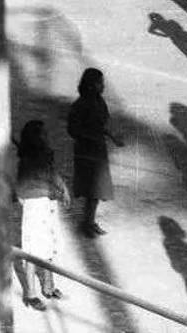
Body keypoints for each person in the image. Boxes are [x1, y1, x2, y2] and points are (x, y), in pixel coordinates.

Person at [12, 120, 68, 310]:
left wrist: (63, 190)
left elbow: (54, 175)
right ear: (36, 137)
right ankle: (30, 294)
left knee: (49, 248)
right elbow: (20, 191)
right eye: (43, 133)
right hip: (36, 208)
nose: (47, 136)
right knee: (33, 252)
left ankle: (48, 286)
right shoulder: (27, 161)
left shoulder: (45, 156)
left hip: (49, 206)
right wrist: (33, 203)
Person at [66, 67, 125, 237]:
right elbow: (72, 130)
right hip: (86, 152)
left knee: (97, 190)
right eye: (100, 83)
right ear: (92, 85)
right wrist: (92, 136)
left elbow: (102, 125)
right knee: (91, 190)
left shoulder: (99, 101)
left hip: (98, 151)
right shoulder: (80, 105)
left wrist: (112, 137)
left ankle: (89, 222)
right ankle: (87, 223)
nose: (103, 86)